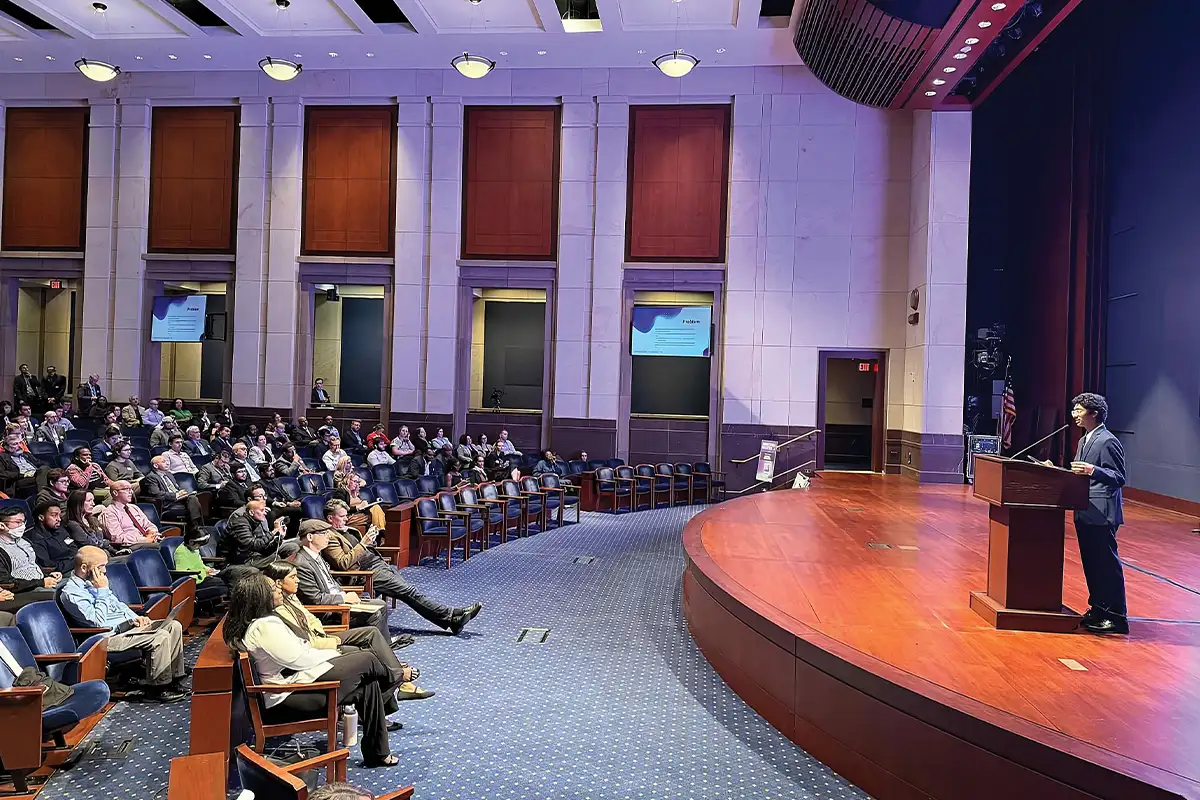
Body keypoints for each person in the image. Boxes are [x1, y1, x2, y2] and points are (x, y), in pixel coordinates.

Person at [222, 574, 400, 767]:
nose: (279, 589)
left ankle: (378, 752)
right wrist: (335, 654)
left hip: (296, 682)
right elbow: (301, 659)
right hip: (285, 697)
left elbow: (300, 653)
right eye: (274, 588)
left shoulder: (266, 621)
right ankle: (397, 679)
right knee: (368, 659)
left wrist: (335, 655)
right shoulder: (263, 626)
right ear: (260, 596)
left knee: (369, 683)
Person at [263, 561, 428, 701]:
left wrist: (322, 632)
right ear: (278, 582)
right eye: (293, 577)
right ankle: (398, 679)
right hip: (318, 645)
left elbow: (310, 619)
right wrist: (333, 640)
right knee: (366, 653)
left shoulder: (291, 596)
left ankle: (397, 677)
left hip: (322, 635)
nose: (298, 580)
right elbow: (307, 642)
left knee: (371, 632)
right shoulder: (279, 608)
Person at [319, 500, 482, 635]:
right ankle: (452, 616)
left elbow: (361, 549)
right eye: (342, 516)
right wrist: (364, 543)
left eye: (346, 515)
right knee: (410, 593)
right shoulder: (329, 537)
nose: (346, 519)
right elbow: (343, 563)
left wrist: (370, 542)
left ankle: (451, 619)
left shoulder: (347, 530)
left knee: (410, 592)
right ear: (330, 518)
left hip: (378, 564)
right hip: (367, 573)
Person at [60, 547, 187, 701]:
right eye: (100, 567)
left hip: (127, 628)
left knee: (173, 626)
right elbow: (97, 622)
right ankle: (157, 688)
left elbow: (119, 605)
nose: (105, 571)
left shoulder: (95, 582)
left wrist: (136, 618)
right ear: (85, 568)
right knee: (159, 636)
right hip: (106, 637)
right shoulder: (71, 593)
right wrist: (102, 591)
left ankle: (174, 679)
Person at [1066, 393, 1129, 635]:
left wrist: (1094, 470)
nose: (1074, 415)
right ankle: (1099, 608)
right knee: (1092, 564)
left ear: (1094, 413)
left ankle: (1116, 615)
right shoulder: (1085, 440)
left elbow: (1118, 477)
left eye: (1079, 410)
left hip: (1102, 512)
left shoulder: (1107, 441)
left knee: (1106, 565)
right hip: (1085, 510)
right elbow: (1081, 473)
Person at [292, 519, 395, 642]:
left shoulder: (316, 556)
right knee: (375, 615)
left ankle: (386, 647)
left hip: (338, 602)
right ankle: (380, 652)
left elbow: (331, 583)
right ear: (310, 537)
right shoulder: (302, 563)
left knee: (381, 605)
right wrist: (344, 599)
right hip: (330, 612)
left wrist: (345, 595)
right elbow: (316, 599)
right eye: (324, 533)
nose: (329, 536)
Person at [0, 506, 60, 614]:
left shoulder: (24, 541)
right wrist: (40, 583)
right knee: (60, 596)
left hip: (42, 581)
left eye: (23, 522)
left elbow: (31, 564)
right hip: (25, 589)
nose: (22, 526)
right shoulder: (1, 550)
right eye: (17, 522)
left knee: (73, 586)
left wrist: (48, 574)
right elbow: (6, 582)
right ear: (2, 525)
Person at [142, 455, 205, 530]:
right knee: (193, 499)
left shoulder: (169, 474)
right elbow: (156, 494)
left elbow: (176, 487)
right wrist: (176, 495)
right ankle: (197, 526)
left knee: (193, 498)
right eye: (163, 462)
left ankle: (196, 526)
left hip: (178, 498)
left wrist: (181, 492)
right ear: (156, 465)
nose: (167, 463)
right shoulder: (151, 477)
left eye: (167, 461)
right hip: (167, 502)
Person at [99, 481, 163, 549]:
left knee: (171, 542)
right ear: (115, 493)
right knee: (162, 547)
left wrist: (152, 532)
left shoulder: (134, 508)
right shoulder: (109, 513)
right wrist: (144, 540)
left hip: (147, 540)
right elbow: (117, 538)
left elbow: (148, 524)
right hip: (130, 545)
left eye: (131, 489)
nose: (131, 492)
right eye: (127, 489)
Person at [222, 499, 285, 567]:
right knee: (277, 560)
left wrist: (280, 537)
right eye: (262, 510)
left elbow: (264, 549)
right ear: (251, 512)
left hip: (250, 556)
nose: (265, 513)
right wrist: (274, 531)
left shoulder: (255, 522)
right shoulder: (240, 523)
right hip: (235, 561)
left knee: (285, 552)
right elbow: (253, 545)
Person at [171, 527, 227, 603]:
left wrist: (208, 570)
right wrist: (204, 573)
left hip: (203, 577)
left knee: (229, 578)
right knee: (228, 583)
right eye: (199, 544)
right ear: (191, 542)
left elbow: (200, 564)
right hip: (197, 583)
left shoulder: (194, 549)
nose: (200, 547)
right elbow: (184, 574)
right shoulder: (181, 552)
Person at [64, 490, 126, 556]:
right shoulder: (72, 524)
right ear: (78, 503)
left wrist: (116, 552)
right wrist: (105, 543)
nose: (93, 504)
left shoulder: (93, 519)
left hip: (103, 553)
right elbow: (90, 543)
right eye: (89, 501)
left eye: (93, 501)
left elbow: (100, 541)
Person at [28, 500, 77, 574]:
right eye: (54, 515)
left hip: (72, 567)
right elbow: (48, 566)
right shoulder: (36, 538)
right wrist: (75, 561)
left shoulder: (60, 530)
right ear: (41, 517)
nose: (59, 519)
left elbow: (73, 548)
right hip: (58, 574)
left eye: (59, 515)